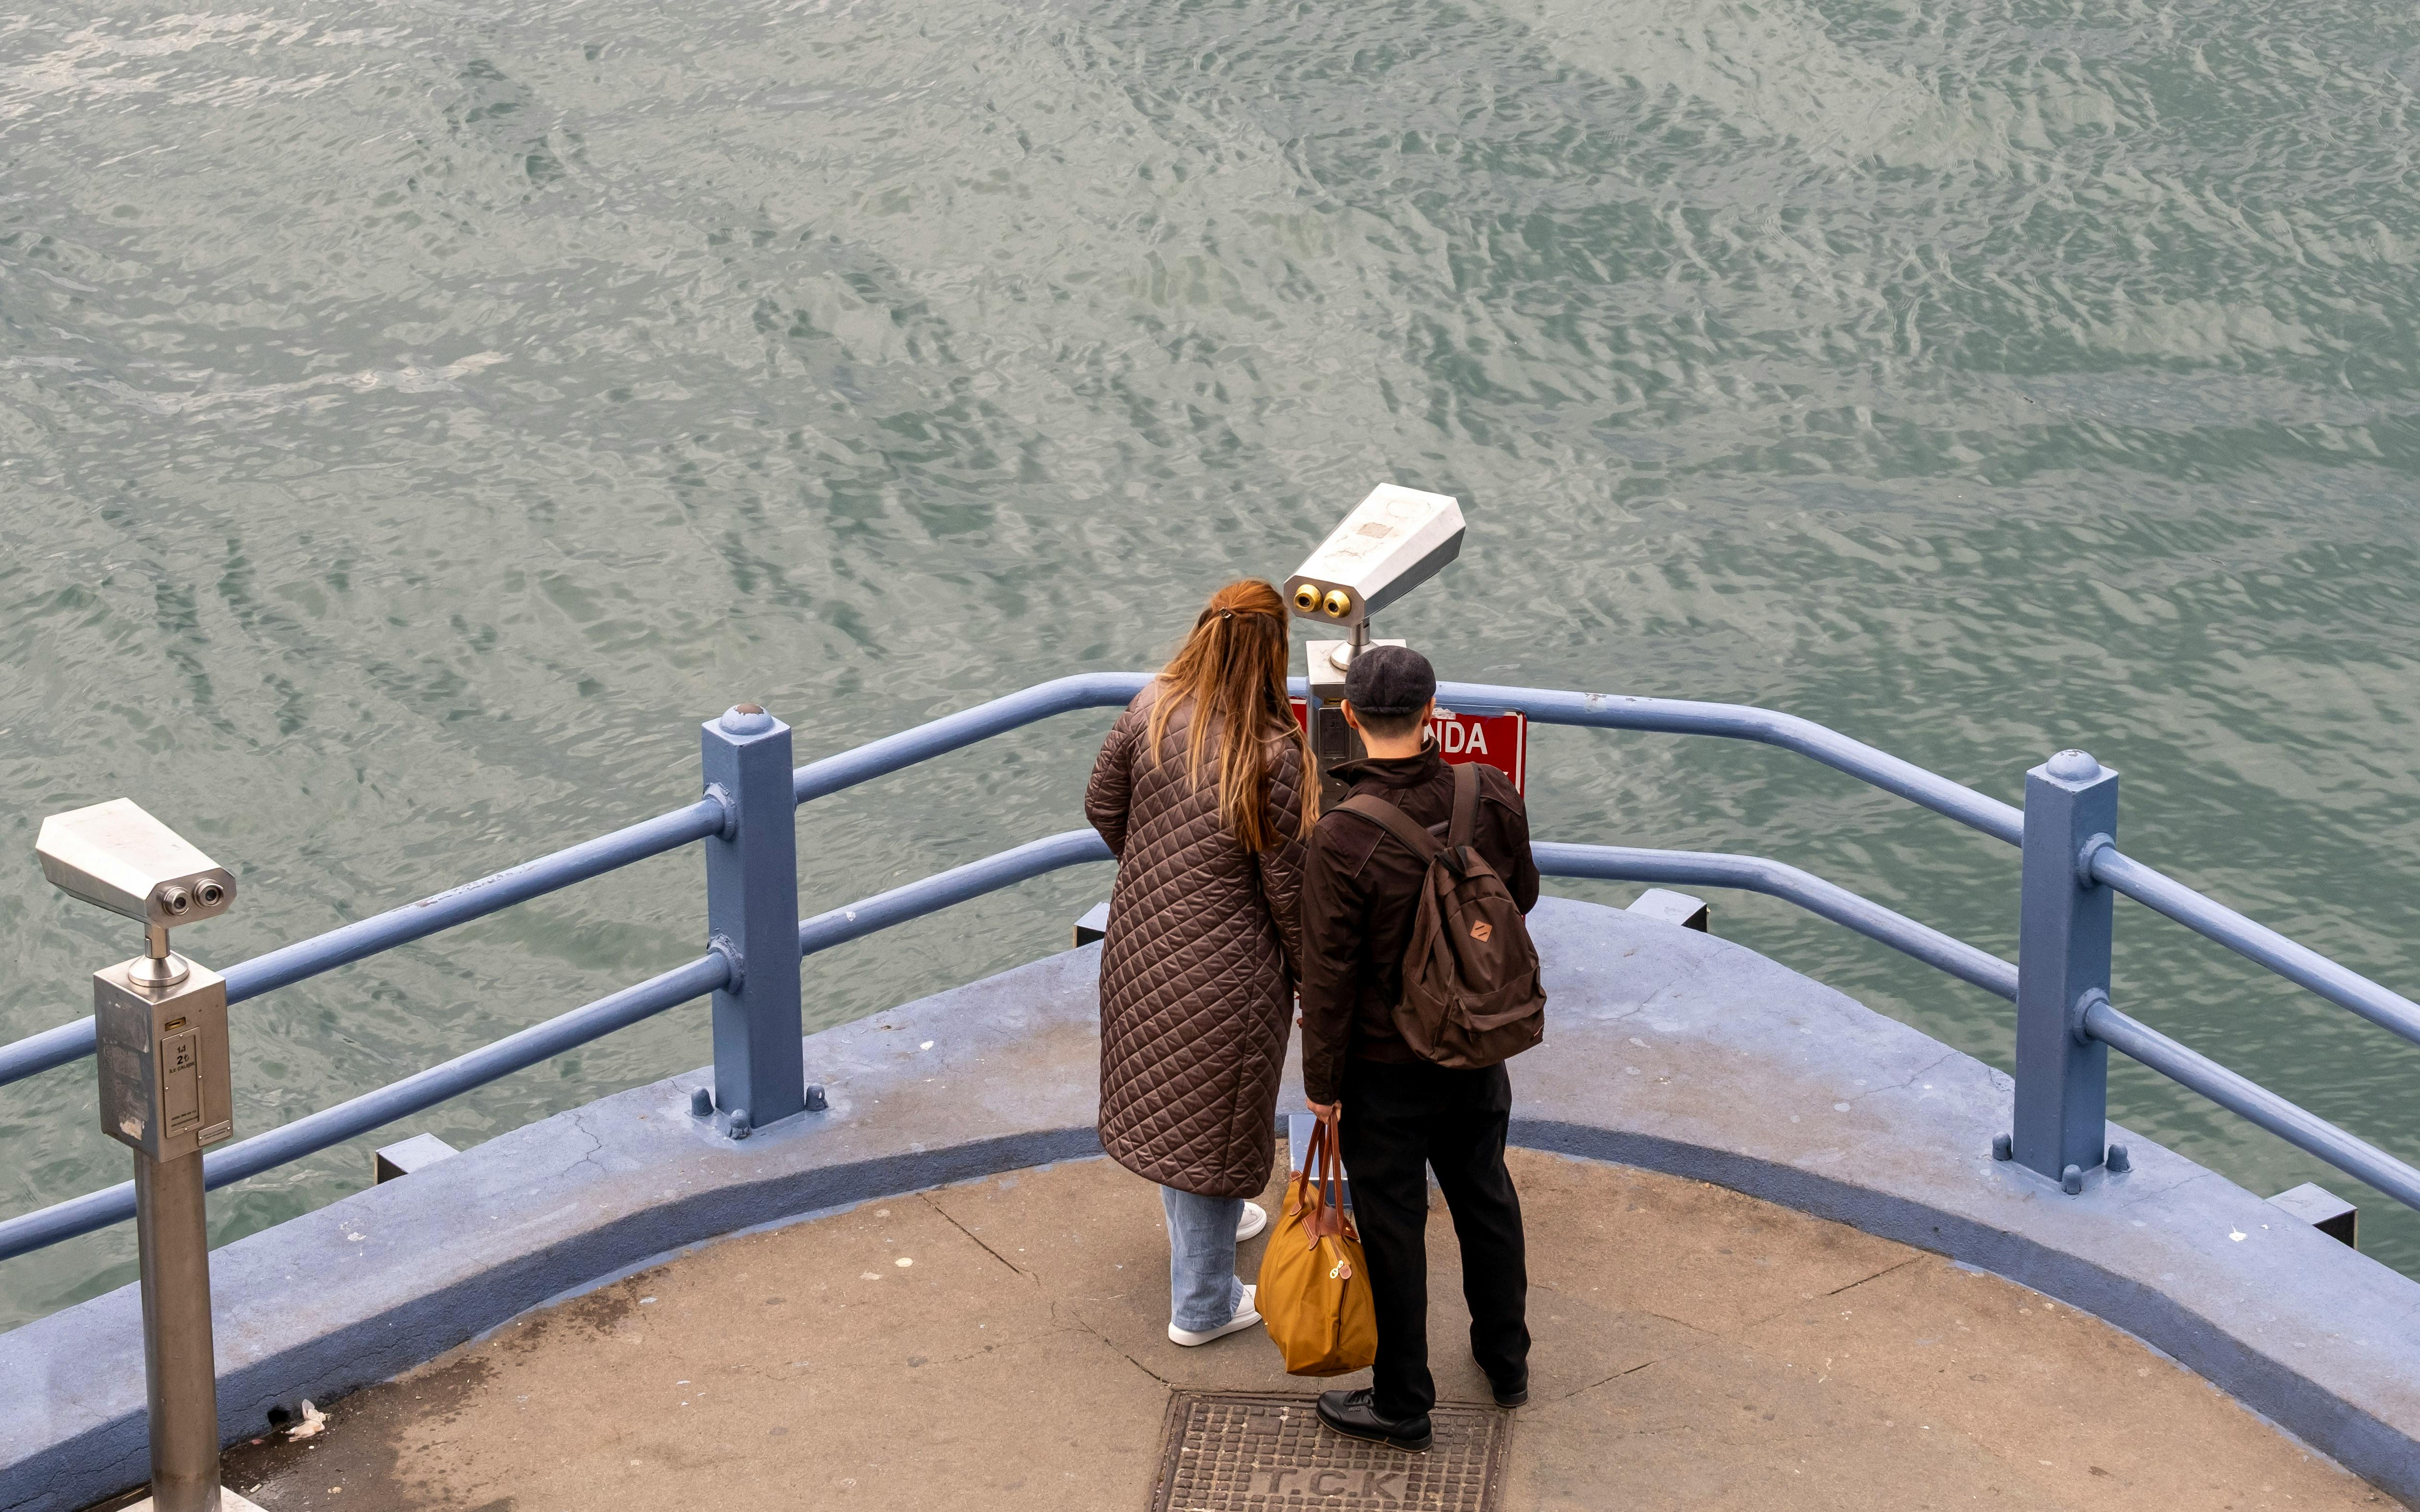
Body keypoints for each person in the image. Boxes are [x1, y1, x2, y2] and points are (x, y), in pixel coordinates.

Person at [1297, 644, 1540, 1451]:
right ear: (1433, 710)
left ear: (1350, 717)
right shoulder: (1489, 791)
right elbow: (1520, 895)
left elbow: (1328, 976)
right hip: (1475, 1043)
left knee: (1394, 1225)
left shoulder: (1340, 835)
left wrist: (1322, 1085)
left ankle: (1403, 1402)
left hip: (1383, 1065)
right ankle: (1506, 1364)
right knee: (1486, 1195)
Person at [1085, 579, 1315, 1347]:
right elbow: (1290, 892)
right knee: (1214, 1126)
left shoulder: (1152, 705)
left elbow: (1102, 807)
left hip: (1141, 944)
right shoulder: (1272, 751)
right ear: (1273, 651)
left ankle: (1211, 1232)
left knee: (1176, 1108)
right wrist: (1314, 980)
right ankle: (1204, 1305)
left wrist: (1160, 870)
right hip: (1228, 971)